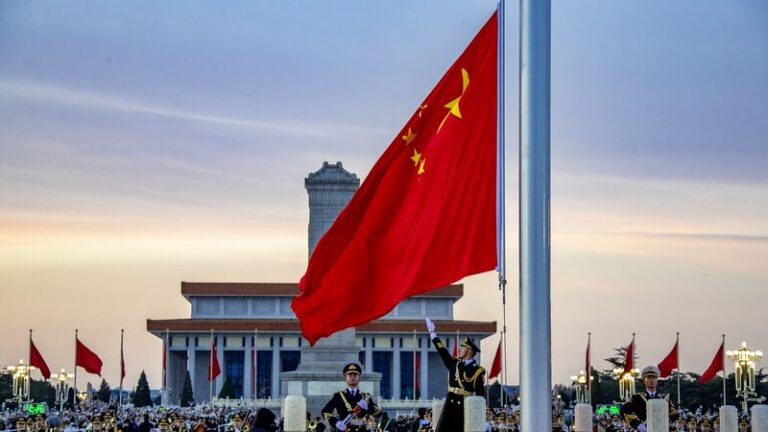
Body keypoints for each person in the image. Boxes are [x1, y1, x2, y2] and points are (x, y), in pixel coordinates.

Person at [425, 317, 486, 432]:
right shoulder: (455, 364)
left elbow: (480, 395)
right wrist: (433, 334)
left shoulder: (478, 371)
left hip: (464, 405)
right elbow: (442, 352)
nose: (459, 350)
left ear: (469, 351)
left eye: (462, 348)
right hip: (450, 403)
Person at [321, 362, 381, 431]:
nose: (353, 377)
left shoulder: (365, 396)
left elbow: (378, 413)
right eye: (350, 375)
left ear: (359, 378)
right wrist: (336, 422)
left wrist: (368, 406)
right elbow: (325, 412)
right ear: (345, 378)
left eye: (355, 375)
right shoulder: (338, 396)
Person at [620, 365, 679, 431]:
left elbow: (674, 414)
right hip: (643, 429)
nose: (651, 380)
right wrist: (638, 425)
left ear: (657, 381)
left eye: (654, 378)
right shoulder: (637, 398)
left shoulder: (663, 398)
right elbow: (624, 412)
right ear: (644, 381)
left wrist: (668, 420)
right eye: (648, 378)